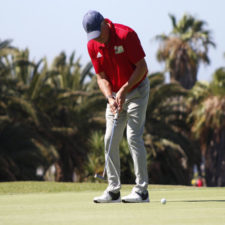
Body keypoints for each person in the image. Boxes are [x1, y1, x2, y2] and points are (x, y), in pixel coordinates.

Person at [82, 10, 150, 203]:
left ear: (105, 24)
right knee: (110, 138)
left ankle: (142, 191)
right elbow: (101, 76)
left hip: (136, 90)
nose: (98, 40)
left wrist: (124, 90)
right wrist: (110, 98)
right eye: (93, 36)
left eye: (99, 33)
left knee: (133, 137)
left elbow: (142, 67)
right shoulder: (93, 44)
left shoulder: (126, 35)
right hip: (115, 96)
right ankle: (113, 190)